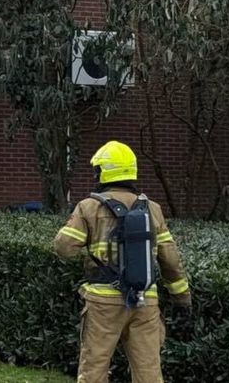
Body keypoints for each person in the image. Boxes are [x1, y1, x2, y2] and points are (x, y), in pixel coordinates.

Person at [53, 141, 192, 383]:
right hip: (145, 301)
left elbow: (64, 248)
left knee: (94, 369)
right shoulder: (153, 209)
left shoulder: (89, 207)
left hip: (103, 301)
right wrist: (182, 298)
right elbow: (170, 259)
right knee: (149, 372)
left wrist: (89, 258)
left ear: (104, 171)